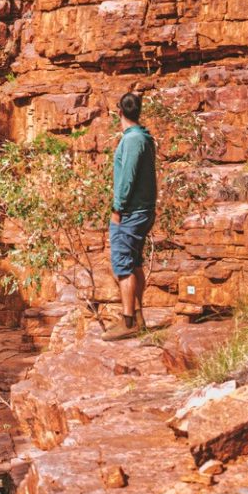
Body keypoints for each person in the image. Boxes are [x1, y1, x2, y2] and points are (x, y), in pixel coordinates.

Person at [106, 91, 157, 340]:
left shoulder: (133, 140)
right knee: (134, 263)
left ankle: (128, 323)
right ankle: (136, 317)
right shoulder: (142, 137)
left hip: (131, 212)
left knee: (123, 265)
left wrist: (118, 209)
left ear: (119, 112)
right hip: (141, 210)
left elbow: (127, 177)